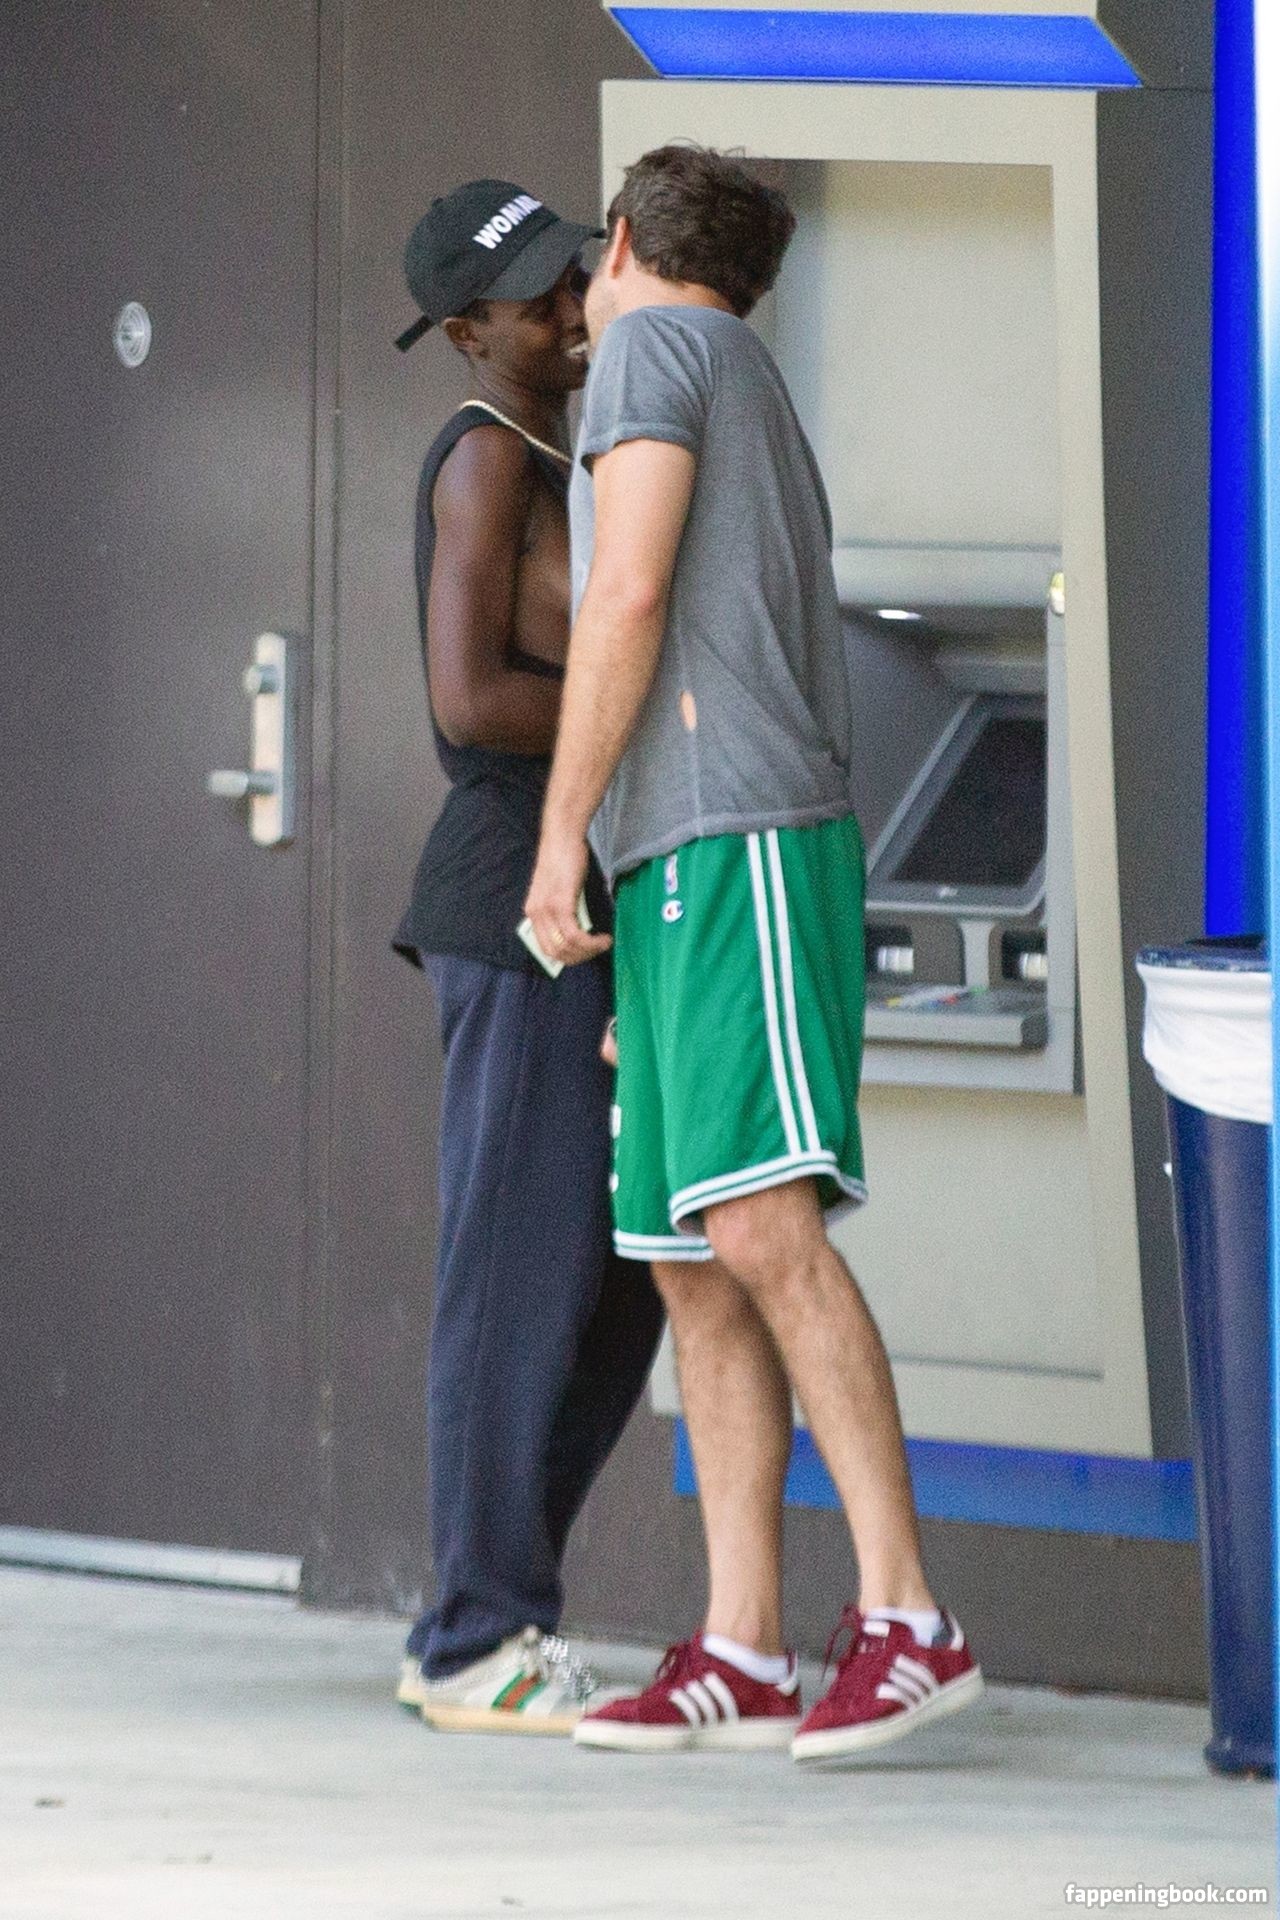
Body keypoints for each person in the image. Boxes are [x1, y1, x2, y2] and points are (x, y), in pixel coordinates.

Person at [524, 145, 983, 1762]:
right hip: (689, 854)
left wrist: (559, 836)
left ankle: (909, 1617)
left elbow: (627, 589)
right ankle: (742, 1644)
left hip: (736, 841)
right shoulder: (740, 367)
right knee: (688, 1252)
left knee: (761, 1226)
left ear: (624, 245)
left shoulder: (654, 345)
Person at [391, 179, 663, 1734]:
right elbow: (468, 700)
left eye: (578, 279)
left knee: (622, 1283)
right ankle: (473, 1637)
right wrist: (655, 715)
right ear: (466, 332)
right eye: (540, 296)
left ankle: (491, 1602)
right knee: (514, 1281)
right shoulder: (487, 453)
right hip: (512, 902)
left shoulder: (568, 450)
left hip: (589, 898)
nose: (571, 310)